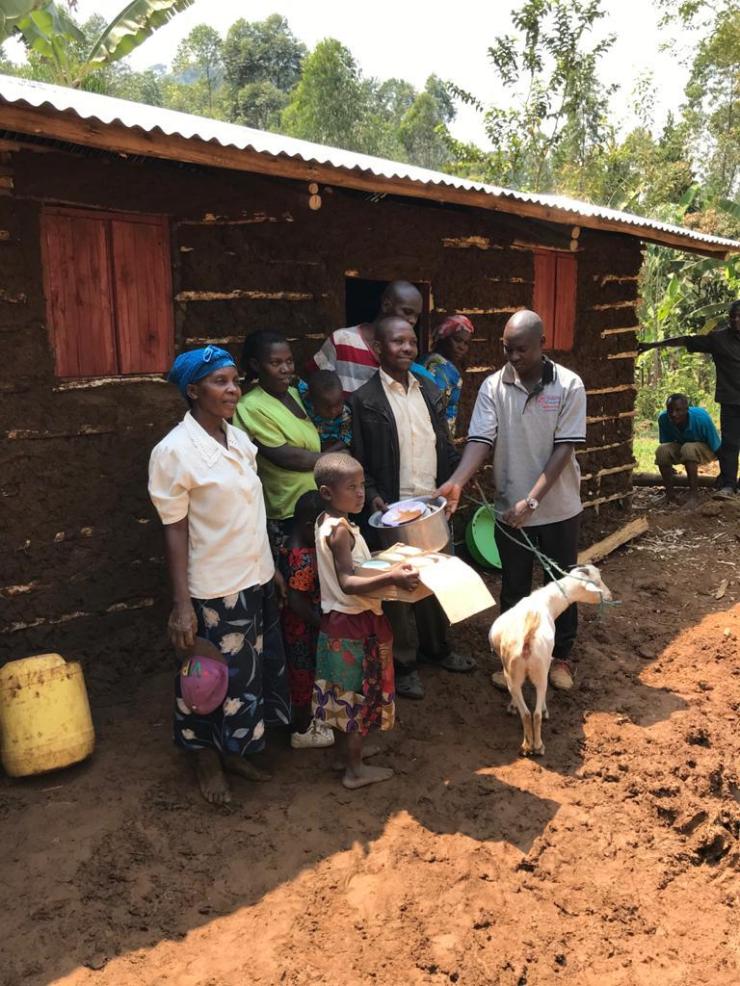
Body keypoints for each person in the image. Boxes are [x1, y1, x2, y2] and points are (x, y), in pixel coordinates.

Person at [148, 345, 290, 806]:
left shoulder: (239, 440)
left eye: (234, 381)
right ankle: (205, 760)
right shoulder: (174, 452)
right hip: (213, 587)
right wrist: (182, 605)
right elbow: (175, 529)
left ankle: (233, 752)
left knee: (246, 678)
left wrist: (270, 567)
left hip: (253, 576)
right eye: (220, 382)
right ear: (193, 391)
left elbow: (252, 510)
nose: (233, 390)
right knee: (206, 678)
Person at [437, 309, 587, 693]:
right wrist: (456, 481)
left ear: (542, 344)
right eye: (507, 349)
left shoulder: (569, 385)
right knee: (514, 588)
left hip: (558, 508)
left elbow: (564, 449)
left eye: (522, 349)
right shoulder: (494, 387)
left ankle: (560, 657)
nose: (514, 357)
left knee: (561, 585)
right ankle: (515, 660)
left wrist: (531, 502)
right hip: (509, 511)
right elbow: (481, 440)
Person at [350, 316, 474, 701]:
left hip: (431, 504)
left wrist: (455, 480)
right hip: (392, 508)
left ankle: (437, 648)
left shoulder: (429, 390)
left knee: (436, 579)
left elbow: (444, 444)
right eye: (397, 342)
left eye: (411, 342)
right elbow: (360, 458)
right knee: (398, 588)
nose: (406, 348)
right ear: (378, 349)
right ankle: (404, 664)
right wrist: (372, 494)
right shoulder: (365, 400)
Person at [312, 452, 420, 789]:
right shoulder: (340, 532)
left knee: (341, 694)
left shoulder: (328, 522)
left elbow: (353, 566)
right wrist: (392, 577)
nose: (360, 493)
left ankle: (343, 756)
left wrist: (382, 560)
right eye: (352, 487)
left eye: (361, 485)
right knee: (359, 698)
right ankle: (355, 770)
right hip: (355, 624)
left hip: (336, 624)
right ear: (327, 492)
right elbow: (348, 581)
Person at [638, 301, 740, 498]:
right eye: (733, 316)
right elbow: (686, 341)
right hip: (731, 401)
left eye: (739, 316)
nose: (736, 320)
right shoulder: (719, 339)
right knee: (730, 444)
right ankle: (728, 485)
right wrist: (653, 345)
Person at [233, 330, 323, 556]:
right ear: (256, 365)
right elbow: (289, 458)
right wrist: (338, 461)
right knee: (298, 572)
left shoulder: (298, 394)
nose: (286, 369)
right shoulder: (250, 406)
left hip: (318, 503)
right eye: (276, 363)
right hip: (289, 513)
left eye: (289, 361)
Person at [307, 280, 435, 397]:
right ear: (386, 305)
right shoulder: (342, 340)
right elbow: (314, 384)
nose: (412, 320)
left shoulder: (406, 356)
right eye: (407, 312)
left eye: (416, 316)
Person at [280, 489, 335, 750]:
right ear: (309, 525)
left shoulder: (294, 543)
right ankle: (301, 730)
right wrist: (321, 624)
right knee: (302, 677)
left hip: (303, 626)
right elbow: (296, 601)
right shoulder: (300, 556)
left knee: (305, 676)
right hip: (301, 631)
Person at [655, 393, 721, 507]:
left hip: (707, 449)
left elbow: (717, 447)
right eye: (670, 410)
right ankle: (670, 495)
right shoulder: (664, 418)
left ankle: (694, 495)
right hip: (683, 447)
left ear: (686, 409)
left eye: (678, 410)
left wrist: (725, 474)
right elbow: (666, 443)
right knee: (662, 450)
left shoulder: (701, 419)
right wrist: (668, 466)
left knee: (688, 448)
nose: (673, 414)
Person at [421, 314, 475, 433]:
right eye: (457, 340)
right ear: (444, 337)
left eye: (466, 343)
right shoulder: (440, 368)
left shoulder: (426, 359)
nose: (462, 347)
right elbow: (436, 410)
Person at [297, 369, 352, 450]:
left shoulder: (345, 414)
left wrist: (325, 454)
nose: (333, 412)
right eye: (327, 407)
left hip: (333, 447)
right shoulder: (306, 397)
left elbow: (346, 439)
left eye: (338, 404)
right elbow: (297, 381)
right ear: (314, 402)